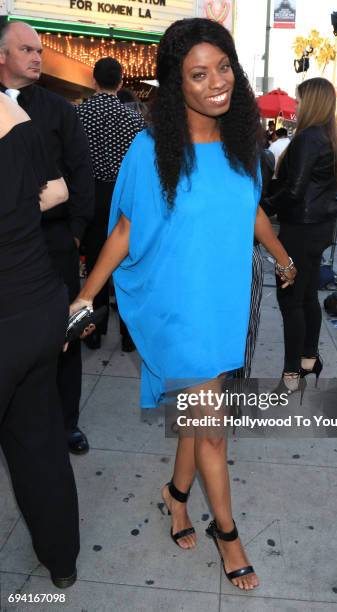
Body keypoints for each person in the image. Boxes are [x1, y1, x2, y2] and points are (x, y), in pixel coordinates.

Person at [70, 18, 296, 591]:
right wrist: (86, 293)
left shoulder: (241, 146)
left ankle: (175, 497)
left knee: (199, 417)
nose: (216, 82)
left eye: (223, 68)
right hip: (179, 307)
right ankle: (230, 537)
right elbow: (123, 229)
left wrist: (283, 257)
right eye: (199, 74)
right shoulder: (150, 151)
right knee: (214, 429)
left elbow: (250, 211)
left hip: (220, 303)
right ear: (177, 84)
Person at [0, 21, 94, 455]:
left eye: (39, 50)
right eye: (27, 50)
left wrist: (75, 234)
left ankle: (66, 422)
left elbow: (81, 174)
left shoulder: (59, 110)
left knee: (63, 336)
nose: (37, 57)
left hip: (52, 243)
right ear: (3, 56)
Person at [0, 92, 80, 589]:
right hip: (37, 305)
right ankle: (62, 562)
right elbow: (56, 191)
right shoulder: (15, 112)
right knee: (39, 445)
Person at [265, 77, 337, 396]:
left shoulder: (309, 136)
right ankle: (308, 361)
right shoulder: (330, 135)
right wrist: (336, 203)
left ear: (313, 102)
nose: (298, 105)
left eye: (301, 99)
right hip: (317, 230)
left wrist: (263, 206)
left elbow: (294, 190)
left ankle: (292, 376)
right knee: (306, 297)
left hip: (300, 230)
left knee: (291, 300)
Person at [76, 57, 145, 352]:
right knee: (126, 263)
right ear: (120, 82)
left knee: (95, 261)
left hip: (90, 194)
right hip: (125, 195)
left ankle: (93, 330)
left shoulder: (78, 114)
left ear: (94, 80)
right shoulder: (133, 119)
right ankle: (130, 337)